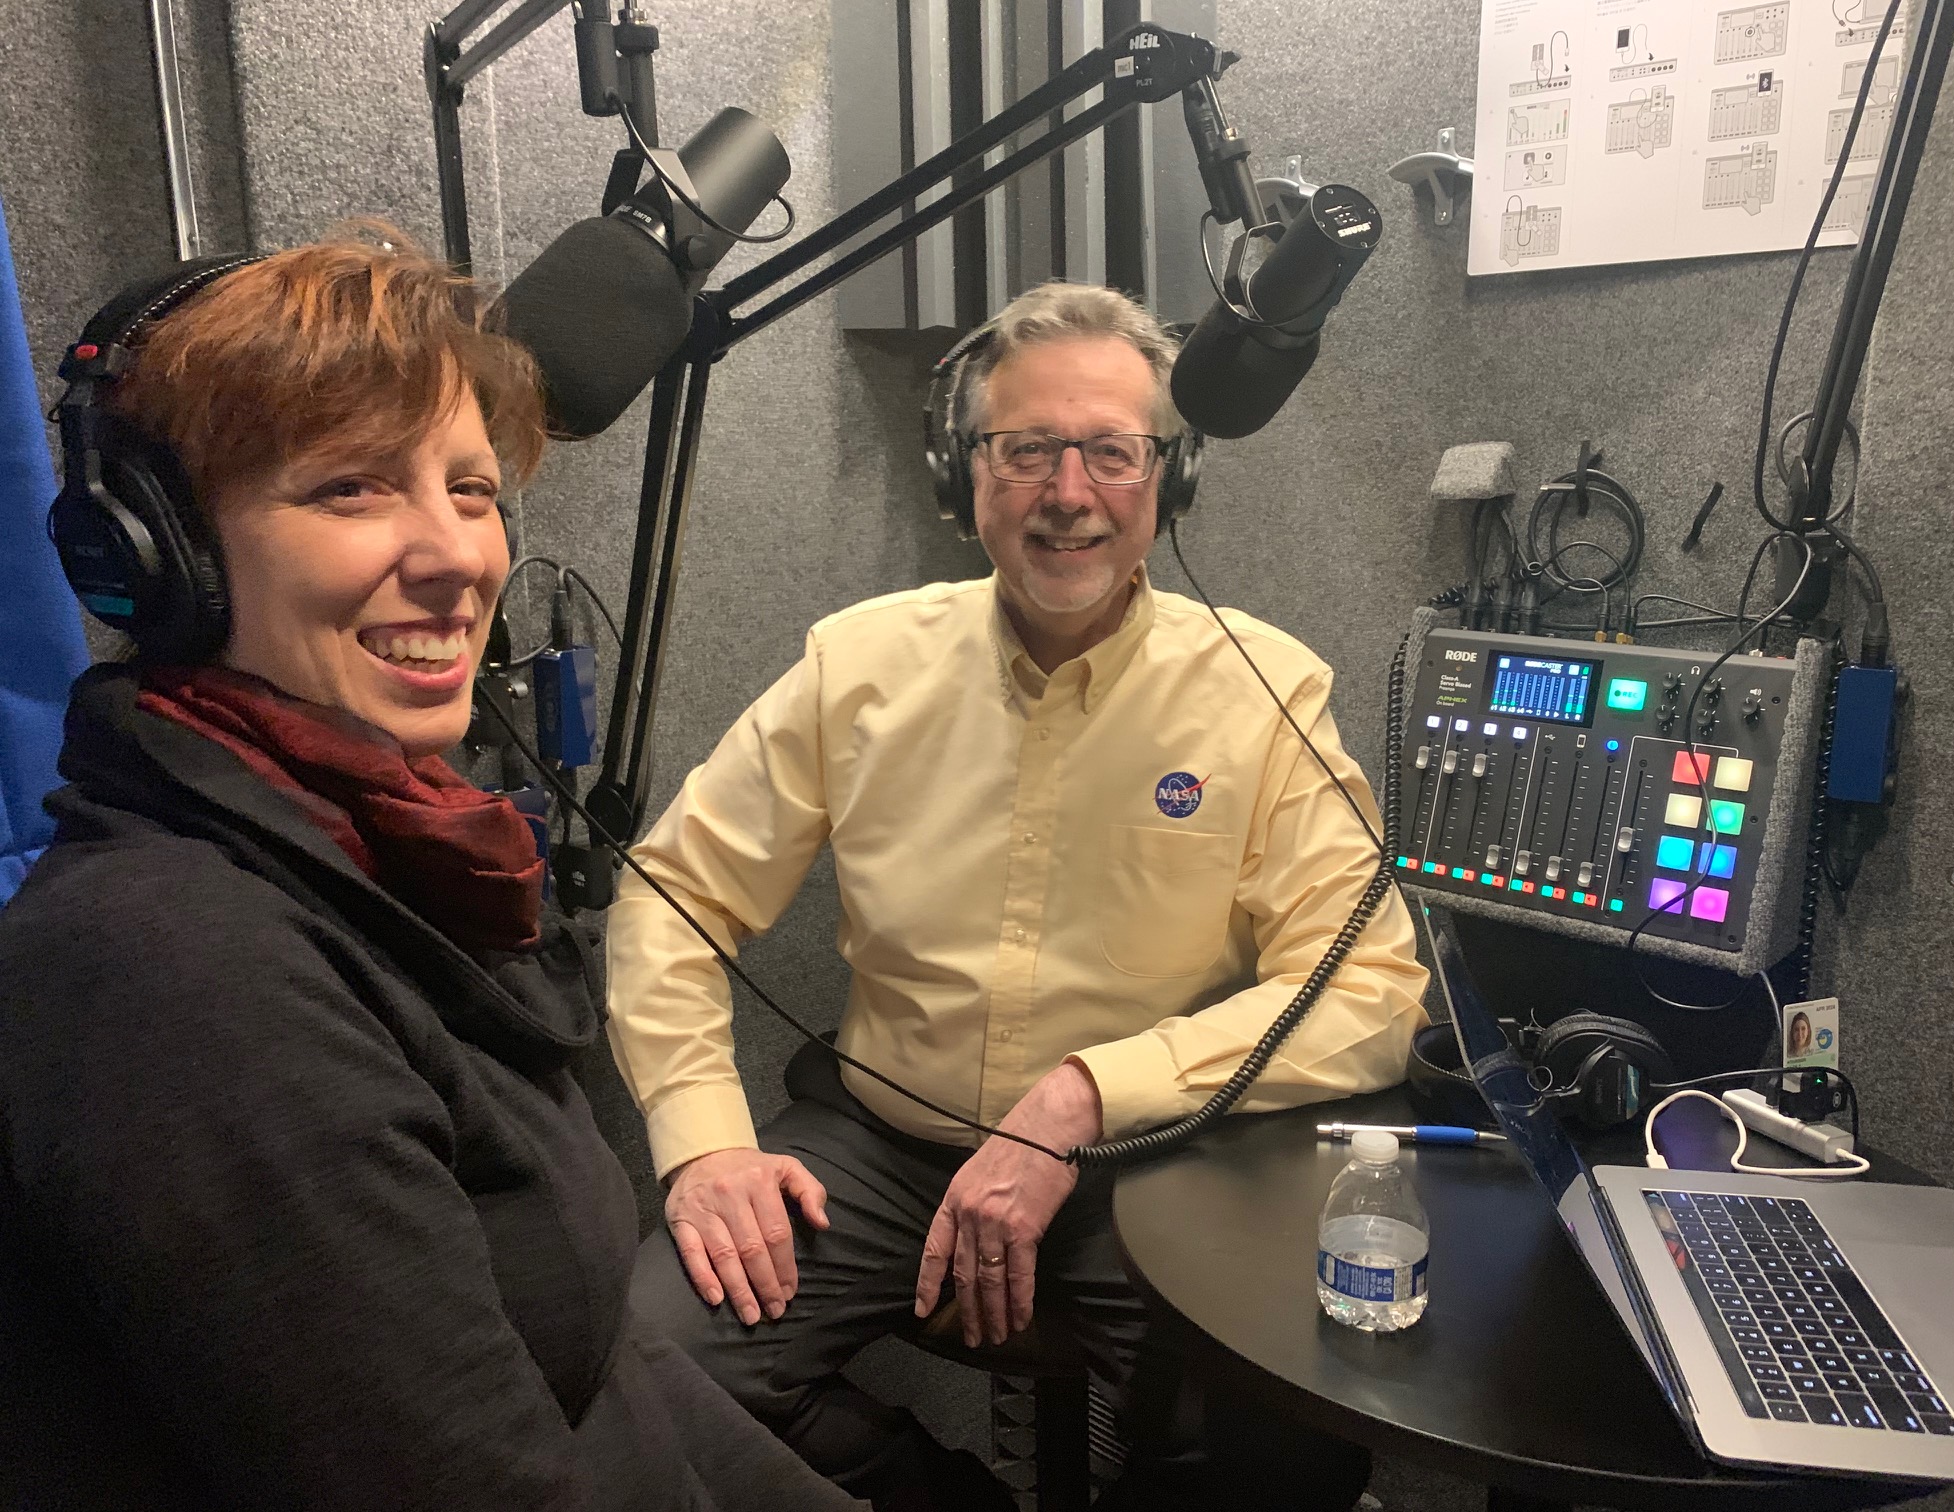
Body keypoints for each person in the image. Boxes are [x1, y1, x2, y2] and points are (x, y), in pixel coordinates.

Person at [0, 226, 860, 1512]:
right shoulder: (176, 976)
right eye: (349, 487)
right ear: (150, 550)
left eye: (468, 489)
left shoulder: (379, 854)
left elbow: (589, 1364)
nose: (458, 555)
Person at [605, 280, 1430, 1510]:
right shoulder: (859, 664)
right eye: (1026, 449)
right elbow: (672, 892)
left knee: (1284, 1435)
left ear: (1170, 476)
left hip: (1153, 1167)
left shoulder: (1264, 692)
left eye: (1110, 451)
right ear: (962, 472)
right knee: (654, 1363)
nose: (1067, 493)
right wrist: (706, 1144)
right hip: (887, 1144)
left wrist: (1084, 1097)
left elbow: (1372, 992)